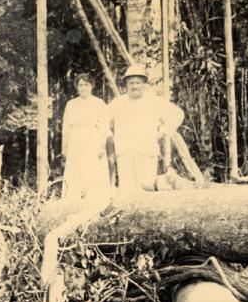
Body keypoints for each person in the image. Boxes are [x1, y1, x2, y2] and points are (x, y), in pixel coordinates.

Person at [108, 63, 186, 192]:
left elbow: (177, 114)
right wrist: (111, 137)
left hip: (147, 151)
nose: (135, 86)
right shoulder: (118, 103)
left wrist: (162, 132)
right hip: (125, 153)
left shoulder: (154, 101)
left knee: (147, 186)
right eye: (131, 83)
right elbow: (102, 122)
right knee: (127, 189)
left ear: (144, 84)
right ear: (126, 84)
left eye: (138, 83)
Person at [61, 72, 111, 201]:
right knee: (75, 171)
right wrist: (64, 148)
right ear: (77, 87)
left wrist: (101, 146)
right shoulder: (71, 104)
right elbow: (66, 127)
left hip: (92, 140)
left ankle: (95, 201)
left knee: (93, 170)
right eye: (80, 85)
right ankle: (72, 201)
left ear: (92, 86)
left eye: (86, 84)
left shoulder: (99, 103)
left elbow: (104, 126)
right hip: (75, 141)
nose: (83, 87)